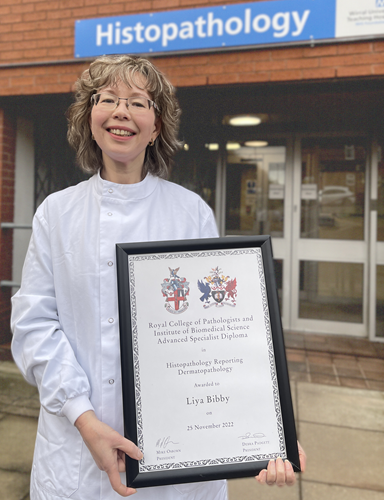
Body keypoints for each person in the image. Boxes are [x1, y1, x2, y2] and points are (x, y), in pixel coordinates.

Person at [11, 55, 306, 500]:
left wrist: (266, 429)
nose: (121, 111)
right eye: (107, 98)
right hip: (75, 455)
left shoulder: (191, 213)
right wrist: (85, 420)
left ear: (156, 126)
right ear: (89, 117)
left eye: (138, 102)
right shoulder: (56, 213)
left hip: (180, 460)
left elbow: (221, 334)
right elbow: (34, 327)